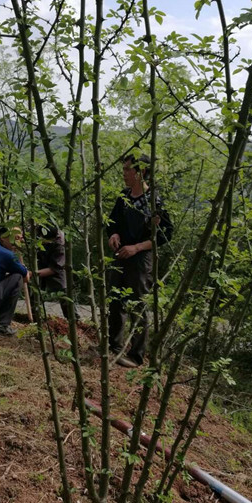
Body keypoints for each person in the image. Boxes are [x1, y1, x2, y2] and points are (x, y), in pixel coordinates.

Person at [107, 154, 173, 367]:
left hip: (140, 259)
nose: (124, 173)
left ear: (141, 172)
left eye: (128, 169)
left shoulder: (154, 200)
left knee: (137, 305)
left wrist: (136, 247)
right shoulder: (124, 196)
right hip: (119, 256)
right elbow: (112, 222)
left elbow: (165, 234)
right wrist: (113, 234)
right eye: (124, 169)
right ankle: (114, 346)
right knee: (115, 301)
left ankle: (136, 356)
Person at [36, 224, 80, 321]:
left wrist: (33, 273)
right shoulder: (38, 231)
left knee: (63, 291)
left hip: (59, 268)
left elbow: (55, 268)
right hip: (41, 261)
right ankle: (36, 316)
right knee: (36, 289)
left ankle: (73, 319)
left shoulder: (60, 245)